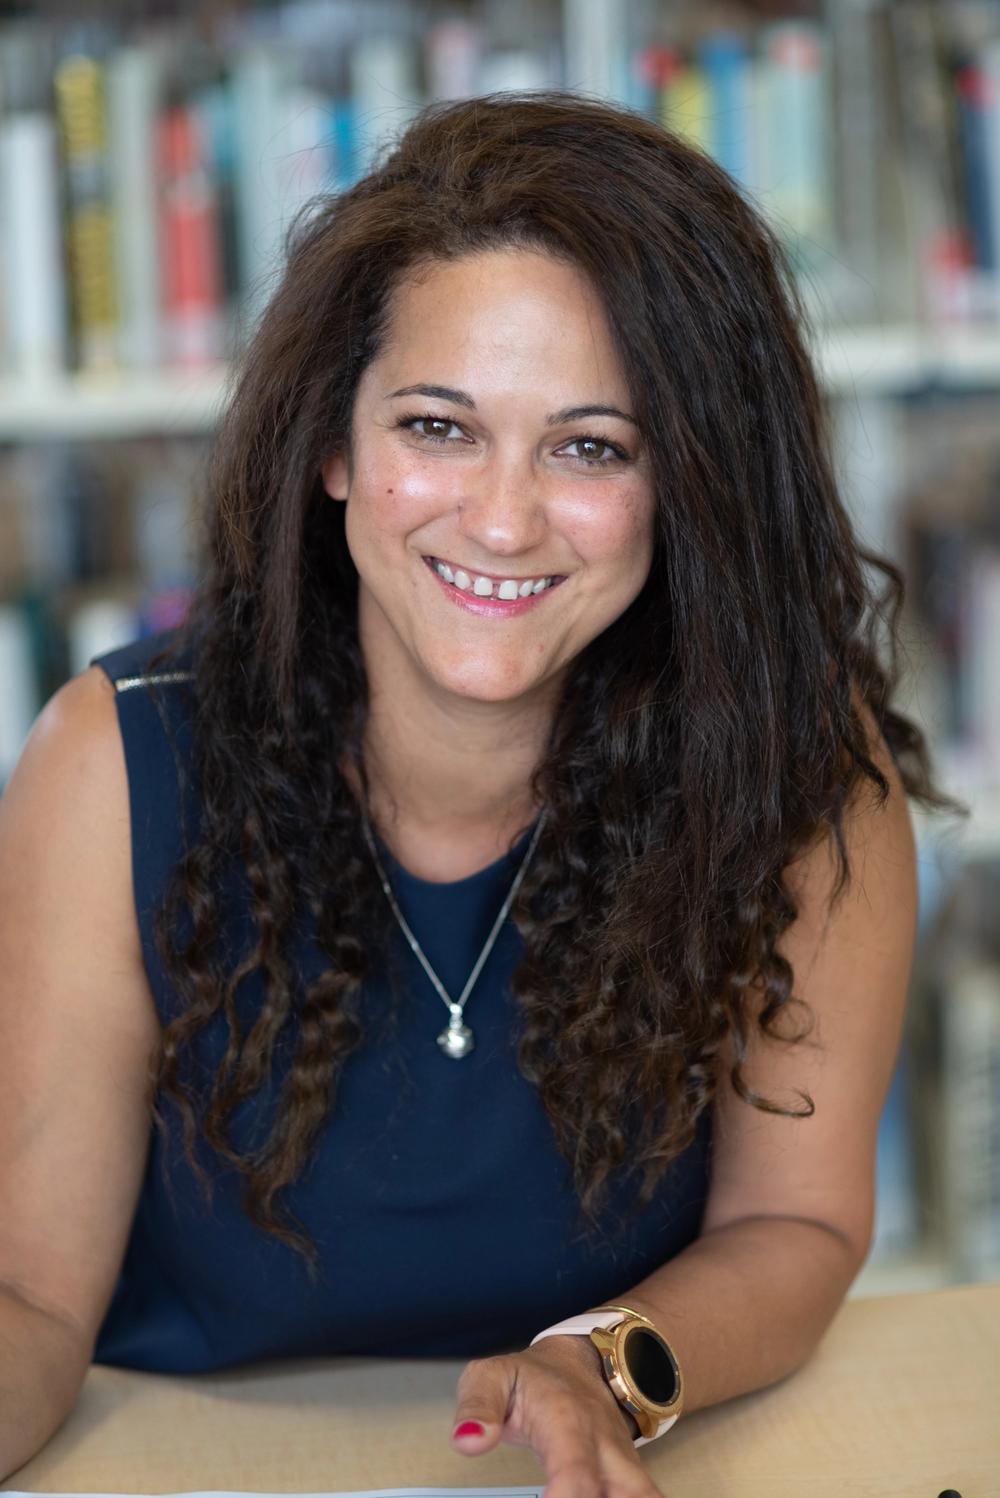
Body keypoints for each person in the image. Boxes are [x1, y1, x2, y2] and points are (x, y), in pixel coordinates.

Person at [0, 89, 963, 1496]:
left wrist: (602, 1363)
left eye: (590, 446)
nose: (503, 518)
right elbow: (27, 1290)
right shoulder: (114, 761)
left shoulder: (801, 790)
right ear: (333, 449)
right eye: (439, 426)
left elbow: (799, 1227)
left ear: (683, 485)